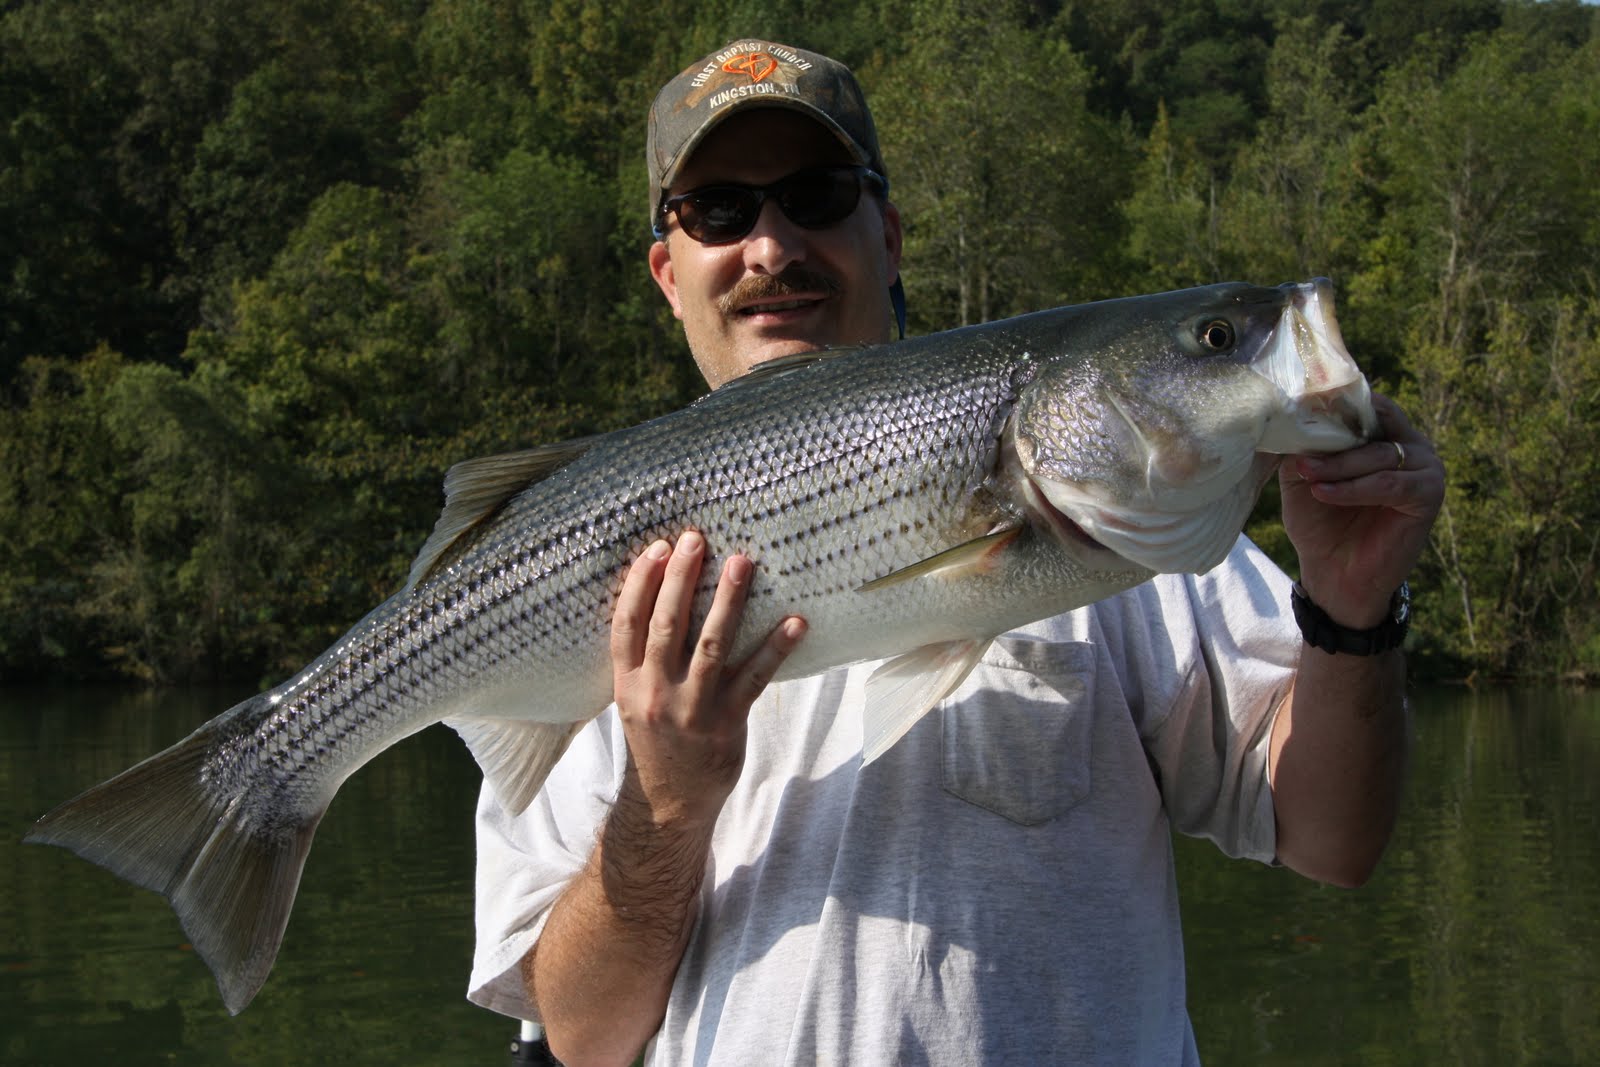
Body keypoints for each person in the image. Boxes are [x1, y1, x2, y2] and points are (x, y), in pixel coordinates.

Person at [465, 39, 1445, 1066]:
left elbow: (1333, 838)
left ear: (884, 235)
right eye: (720, 212)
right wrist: (663, 805)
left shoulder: (1135, 530)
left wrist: (1351, 610)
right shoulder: (583, 563)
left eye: (815, 194)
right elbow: (578, 1034)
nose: (770, 246)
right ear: (670, 272)